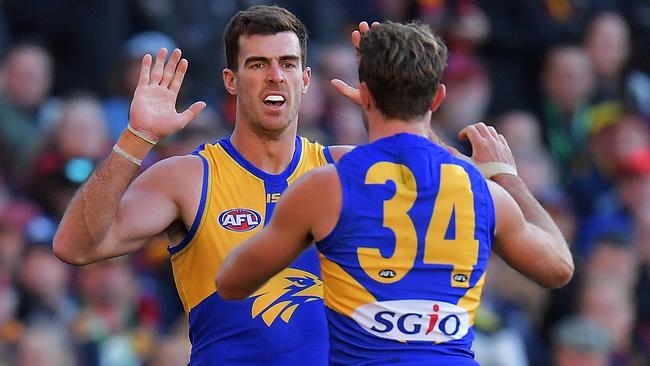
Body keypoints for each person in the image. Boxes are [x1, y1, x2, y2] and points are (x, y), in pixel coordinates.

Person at [217, 21, 574, 365]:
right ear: (437, 98)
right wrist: (506, 175)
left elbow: (231, 283)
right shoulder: (482, 191)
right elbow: (558, 267)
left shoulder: (326, 186)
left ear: (366, 95)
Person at [53, 5, 353, 365]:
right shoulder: (189, 178)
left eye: (287, 64)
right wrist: (137, 137)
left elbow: (439, 191)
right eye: (258, 64)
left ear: (305, 79)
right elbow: (75, 246)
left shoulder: (344, 168)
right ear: (231, 79)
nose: (275, 76)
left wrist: (397, 119)